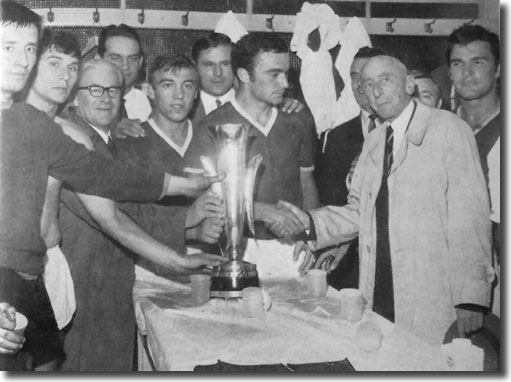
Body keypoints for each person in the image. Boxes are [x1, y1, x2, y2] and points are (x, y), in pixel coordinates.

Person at [0, 1, 219, 371]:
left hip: (30, 275)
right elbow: (110, 216)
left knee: (47, 364)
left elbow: (105, 177)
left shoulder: (33, 123)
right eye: (9, 48)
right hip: (12, 277)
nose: (23, 60)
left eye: (30, 49)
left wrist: (183, 184)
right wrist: (178, 258)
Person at [279, 54, 493, 346]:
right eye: (368, 84)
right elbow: (358, 211)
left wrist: (472, 296)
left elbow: (470, 218)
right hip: (379, 284)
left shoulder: (448, 129)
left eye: (385, 80)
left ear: (408, 85)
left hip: (432, 289)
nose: (376, 90)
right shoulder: (376, 140)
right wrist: (309, 221)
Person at [184, 33, 320, 278]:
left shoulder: (298, 119)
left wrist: (310, 234)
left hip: (293, 251)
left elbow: (306, 182)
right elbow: (196, 197)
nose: (285, 83)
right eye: (274, 75)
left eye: (286, 74)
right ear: (245, 75)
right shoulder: (211, 126)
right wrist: (260, 211)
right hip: (234, 249)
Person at [113, 54, 225, 283]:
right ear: (150, 91)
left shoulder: (212, 139)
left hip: (206, 265)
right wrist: (190, 223)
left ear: (196, 93)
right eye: (167, 85)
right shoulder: (129, 144)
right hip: (149, 269)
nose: (179, 95)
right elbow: (125, 219)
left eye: (187, 85)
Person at [112, 32, 304, 139]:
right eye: (209, 65)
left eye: (225, 64)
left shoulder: (256, 104)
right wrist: (118, 130)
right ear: (195, 68)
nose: (218, 74)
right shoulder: (177, 106)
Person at [313, 46, 386, 290]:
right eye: (354, 76)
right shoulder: (337, 136)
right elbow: (332, 201)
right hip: (348, 259)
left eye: (367, 76)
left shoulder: (403, 130)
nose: (360, 84)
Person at [447, 24, 500, 317]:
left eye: (478, 62)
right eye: (458, 63)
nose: (467, 73)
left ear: (498, 68)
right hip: (445, 271)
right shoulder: (438, 129)